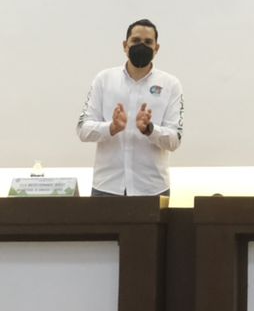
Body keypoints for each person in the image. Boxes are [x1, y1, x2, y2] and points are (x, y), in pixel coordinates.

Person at [76, 19, 184, 196]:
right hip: (107, 187)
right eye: (135, 41)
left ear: (156, 48)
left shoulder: (171, 84)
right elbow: (83, 130)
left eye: (148, 42)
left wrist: (150, 129)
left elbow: (174, 141)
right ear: (125, 45)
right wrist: (111, 128)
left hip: (152, 189)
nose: (141, 46)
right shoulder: (104, 79)